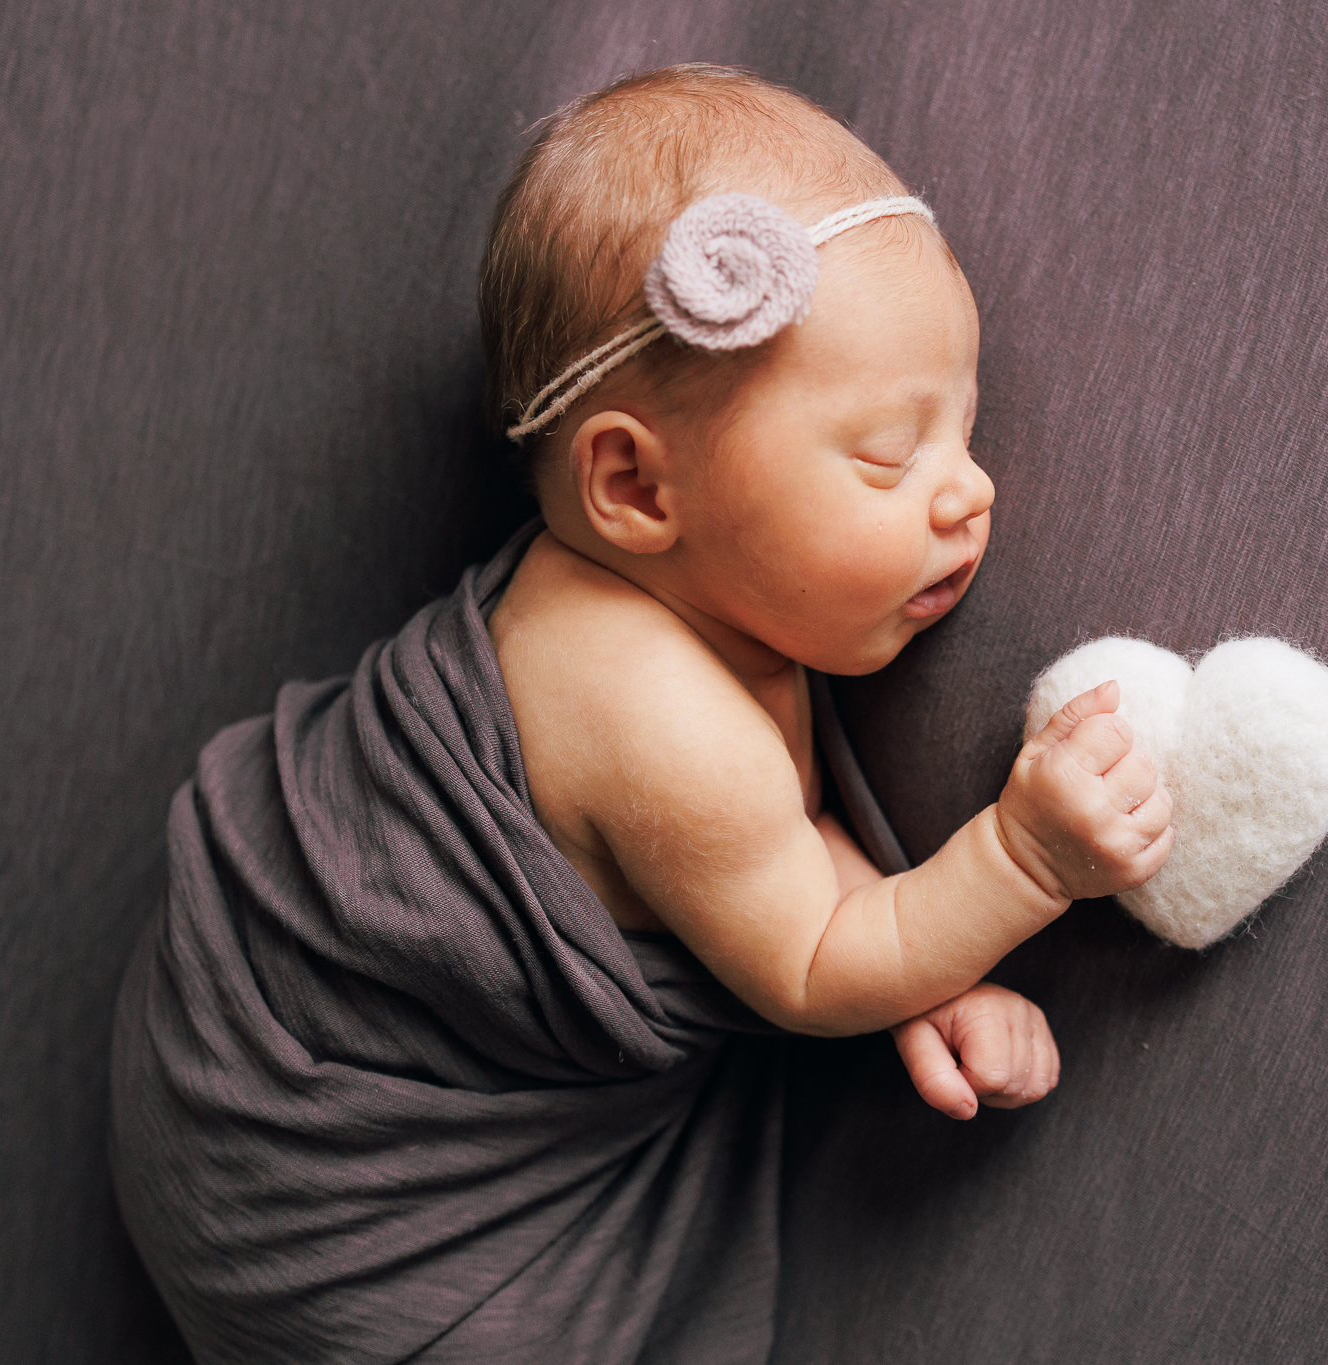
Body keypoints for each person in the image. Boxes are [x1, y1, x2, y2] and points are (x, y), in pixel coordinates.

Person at [111, 63, 1169, 1365]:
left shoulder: (693, 609)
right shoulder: (654, 711)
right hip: (330, 1190)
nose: (970, 491)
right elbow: (812, 956)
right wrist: (1019, 862)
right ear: (633, 484)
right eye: (890, 456)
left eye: (966, 427)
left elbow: (785, 850)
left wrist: (923, 983)